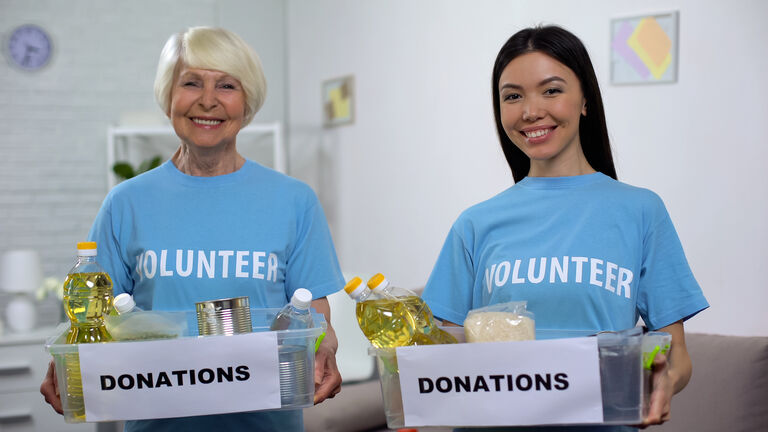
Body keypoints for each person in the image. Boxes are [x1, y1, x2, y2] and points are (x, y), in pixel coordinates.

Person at [40, 27, 344, 431]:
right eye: (191, 83)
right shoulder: (126, 203)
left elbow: (312, 308)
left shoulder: (294, 200)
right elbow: (90, 317)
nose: (207, 100)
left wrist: (325, 346)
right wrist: (65, 359)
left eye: (227, 85)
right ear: (169, 96)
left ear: (246, 102)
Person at [422, 25, 709, 431]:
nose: (530, 111)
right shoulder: (475, 224)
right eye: (513, 96)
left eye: (551, 90)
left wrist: (661, 379)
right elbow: (438, 353)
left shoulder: (640, 210)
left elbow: (677, 355)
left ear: (585, 100)